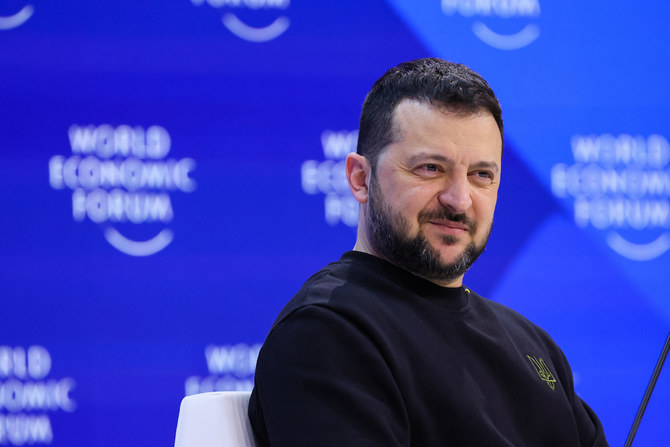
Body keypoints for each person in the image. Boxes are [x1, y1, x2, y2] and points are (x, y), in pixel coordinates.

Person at [248, 58, 609, 446]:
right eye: (430, 168)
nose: (459, 199)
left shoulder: (534, 347)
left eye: (481, 175)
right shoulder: (326, 332)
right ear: (360, 179)